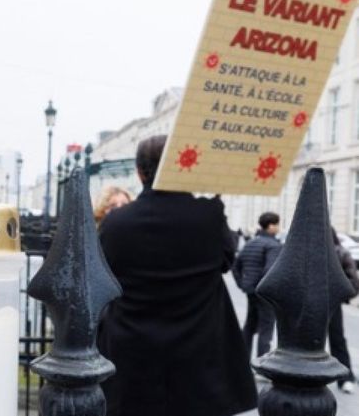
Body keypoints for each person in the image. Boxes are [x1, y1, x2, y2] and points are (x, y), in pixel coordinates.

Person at [97, 135, 257, 416]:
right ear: (183, 166)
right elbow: (225, 261)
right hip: (199, 356)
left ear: (139, 172)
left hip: (132, 353)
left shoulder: (115, 223)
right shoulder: (209, 215)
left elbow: (104, 276)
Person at [232, 212, 281, 359]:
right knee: (266, 329)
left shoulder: (251, 242)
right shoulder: (273, 245)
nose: (278, 228)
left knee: (250, 325)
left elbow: (235, 266)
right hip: (265, 294)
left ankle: (242, 359)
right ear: (271, 226)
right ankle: (263, 362)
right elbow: (270, 270)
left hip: (251, 291)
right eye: (277, 224)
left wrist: (243, 284)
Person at [330, 228, 359, 394]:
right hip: (321, 304)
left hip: (331, 303)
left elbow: (353, 281)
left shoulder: (340, 252)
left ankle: (346, 378)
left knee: (337, 340)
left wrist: (338, 296)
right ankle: (345, 379)